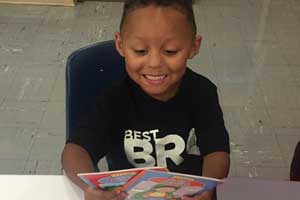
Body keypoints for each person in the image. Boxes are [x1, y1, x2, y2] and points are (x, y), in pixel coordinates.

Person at [61, 0, 230, 200]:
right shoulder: (113, 99)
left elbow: (217, 152)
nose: (155, 63)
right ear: (121, 45)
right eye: (140, 51)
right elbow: (74, 150)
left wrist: (206, 187)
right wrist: (90, 188)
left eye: (170, 51)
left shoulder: (203, 93)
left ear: (193, 47)